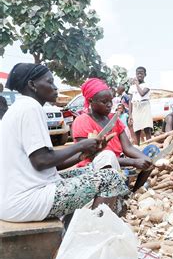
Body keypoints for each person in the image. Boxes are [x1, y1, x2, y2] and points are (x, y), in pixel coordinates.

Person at [0, 63, 128, 222]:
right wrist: (82, 144)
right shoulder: (30, 108)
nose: (55, 88)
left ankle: (75, 229)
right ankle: (93, 236)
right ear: (32, 85)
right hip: (26, 200)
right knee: (110, 179)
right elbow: (41, 161)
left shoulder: (21, 107)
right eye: (49, 82)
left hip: (18, 198)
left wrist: (87, 153)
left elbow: (50, 163)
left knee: (94, 169)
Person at [72, 78, 153, 171]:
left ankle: (136, 186)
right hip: (94, 168)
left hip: (117, 165)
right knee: (107, 156)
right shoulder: (82, 121)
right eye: (104, 102)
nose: (109, 105)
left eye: (111, 101)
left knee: (151, 152)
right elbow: (92, 156)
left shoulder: (114, 119)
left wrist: (147, 160)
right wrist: (133, 162)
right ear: (90, 101)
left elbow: (128, 147)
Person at [129, 66, 153, 144]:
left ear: (145, 74)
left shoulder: (147, 84)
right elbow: (130, 101)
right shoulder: (132, 87)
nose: (139, 75)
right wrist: (130, 115)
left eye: (141, 73)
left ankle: (150, 147)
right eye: (138, 73)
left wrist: (137, 84)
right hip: (136, 107)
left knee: (147, 129)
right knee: (137, 130)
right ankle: (138, 149)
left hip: (145, 106)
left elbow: (142, 94)